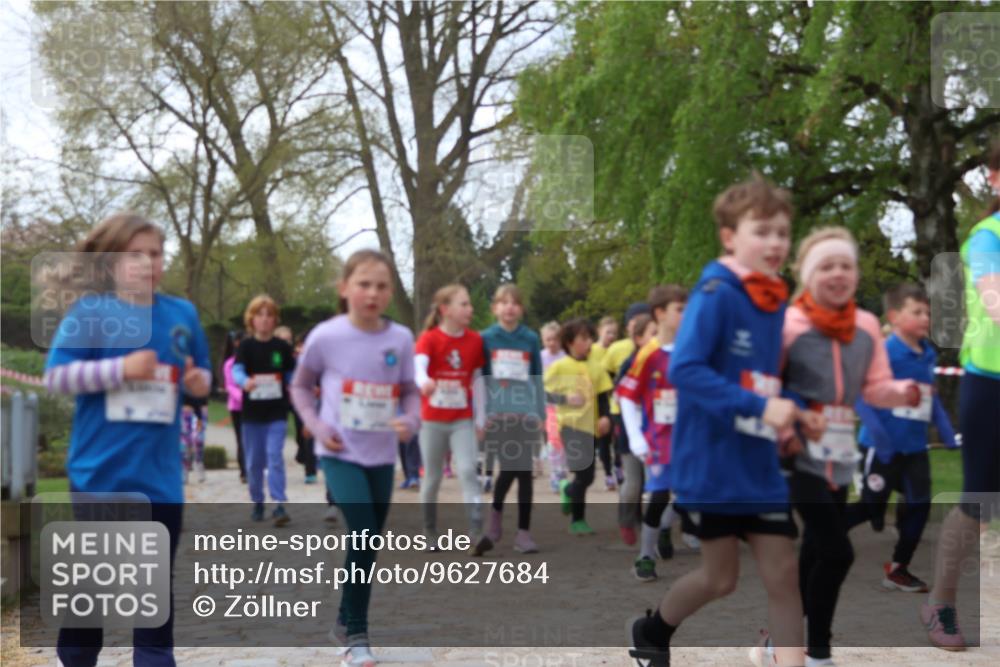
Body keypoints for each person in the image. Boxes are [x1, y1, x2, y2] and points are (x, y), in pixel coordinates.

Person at [627, 175, 821, 667]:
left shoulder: (775, 298)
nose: (775, 242)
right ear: (730, 236)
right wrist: (760, 409)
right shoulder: (716, 290)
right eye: (762, 230)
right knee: (720, 579)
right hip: (710, 464)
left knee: (784, 573)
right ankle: (652, 631)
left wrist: (795, 414)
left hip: (759, 467)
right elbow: (686, 370)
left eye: (782, 232)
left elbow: (771, 375)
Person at [44, 212, 211, 667]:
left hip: (159, 479)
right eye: (135, 255)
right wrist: (119, 370)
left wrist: (198, 383)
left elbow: (202, 374)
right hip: (100, 475)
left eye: (156, 254)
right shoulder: (92, 314)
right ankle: (75, 658)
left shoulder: (182, 314)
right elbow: (56, 378)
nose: (148, 263)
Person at [778, 226, 920, 666]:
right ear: (805, 271)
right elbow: (765, 384)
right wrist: (790, 420)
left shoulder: (865, 324)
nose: (838, 273)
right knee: (839, 551)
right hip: (794, 451)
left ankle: (782, 639)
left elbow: (873, 387)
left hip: (838, 453)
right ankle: (818, 650)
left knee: (816, 550)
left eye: (847, 265)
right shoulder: (787, 324)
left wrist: (901, 393)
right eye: (827, 265)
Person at [290, 249, 419, 667]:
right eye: (364, 284)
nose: (372, 293)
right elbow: (300, 386)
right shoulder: (326, 337)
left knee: (370, 542)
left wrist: (412, 420)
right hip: (339, 452)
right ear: (345, 288)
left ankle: (344, 619)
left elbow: (410, 390)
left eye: (381, 286)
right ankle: (357, 638)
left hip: (381, 454)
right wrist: (315, 423)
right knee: (362, 533)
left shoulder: (399, 338)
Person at [921, 142, 1000, 652]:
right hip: (991, 384)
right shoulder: (986, 238)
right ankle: (940, 602)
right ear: (994, 178)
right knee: (978, 500)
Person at [845, 284, 958, 593]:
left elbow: (928, 397)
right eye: (917, 312)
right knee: (871, 507)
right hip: (881, 447)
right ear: (894, 317)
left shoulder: (928, 353)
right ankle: (824, 533)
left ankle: (899, 568)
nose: (926, 317)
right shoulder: (884, 351)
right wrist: (879, 436)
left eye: (928, 312)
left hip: (914, 448)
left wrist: (947, 433)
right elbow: (857, 394)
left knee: (920, 505)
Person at [617, 287, 686, 581]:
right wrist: (635, 437)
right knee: (659, 494)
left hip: (688, 438)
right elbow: (627, 396)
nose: (686, 315)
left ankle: (666, 528)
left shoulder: (694, 350)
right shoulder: (648, 354)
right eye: (679, 310)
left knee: (690, 496)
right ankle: (645, 555)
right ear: (660, 314)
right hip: (658, 439)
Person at [414, 284, 487, 552]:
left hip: (462, 420)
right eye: (464, 304)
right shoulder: (429, 338)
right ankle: (429, 531)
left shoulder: (475, 340)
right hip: (432, 420)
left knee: (468, 470)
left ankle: (476, 532)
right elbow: (418, 369)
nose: (470, 309)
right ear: (446, 310)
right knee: (432, 477)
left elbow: (478, 380)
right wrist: (425, 382)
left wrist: (481, 418)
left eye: (469, 304)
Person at [478, 284, 546, 555]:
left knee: (524, 472)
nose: (509, 307)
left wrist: (540, 413)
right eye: (503, 302)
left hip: (525, 413)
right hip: (498, 415)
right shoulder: (485, 338)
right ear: (495, 308)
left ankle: (522, 533)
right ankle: (495, 521)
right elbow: (480, 379)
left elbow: (537, 377)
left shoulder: (530, 338)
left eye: (515, 303)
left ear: (521, 309)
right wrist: (482, 416)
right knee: (511, 469)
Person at [545, 317, 613, 536]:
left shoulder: (596, 367)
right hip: (570, 426)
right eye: (583, 338)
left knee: (589, 476)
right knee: (584, 474)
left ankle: (567, 489)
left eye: (590, 337)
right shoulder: (558, 367)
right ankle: (577, 520)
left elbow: (604, 396)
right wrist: (565, 399)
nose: (589, 342)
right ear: (570, 342)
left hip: (591, 426)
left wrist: (605, 417)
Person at [233, 295, 296, 525]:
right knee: (254, 462)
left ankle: (279, 504)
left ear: (275, 319)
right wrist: (243, 382)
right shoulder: (247, 346)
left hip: (276, 412)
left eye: (269, 315)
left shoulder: (282, 347)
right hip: (252, 415)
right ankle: (258, 501)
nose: (265, 319)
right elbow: (237, 370)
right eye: (260, 315)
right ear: (252, 319)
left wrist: (296, 384)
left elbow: (291, 373)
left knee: (274, 456)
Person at [540, 321, 567, 492]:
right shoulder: (540, 357)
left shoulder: (566, 357)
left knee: (565, 440)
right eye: (548, 339)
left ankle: (561, 469)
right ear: (543, 340)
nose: (552, 343)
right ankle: (556, 473)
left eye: (555, 339)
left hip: (566, 405)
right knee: (553, 440)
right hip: (547, 404)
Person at [222, 330, 247, 482]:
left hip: (252, 406)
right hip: (237, 407)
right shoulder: (229, 363)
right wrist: (242, 397)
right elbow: (229, 385)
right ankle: (244, 471)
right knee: (241, 439)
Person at [180, 393, 207, 483]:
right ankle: (184, 470)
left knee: (198, 441)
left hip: (198, 411)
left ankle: (198, 462)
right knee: (184, 444)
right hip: (182, 413)